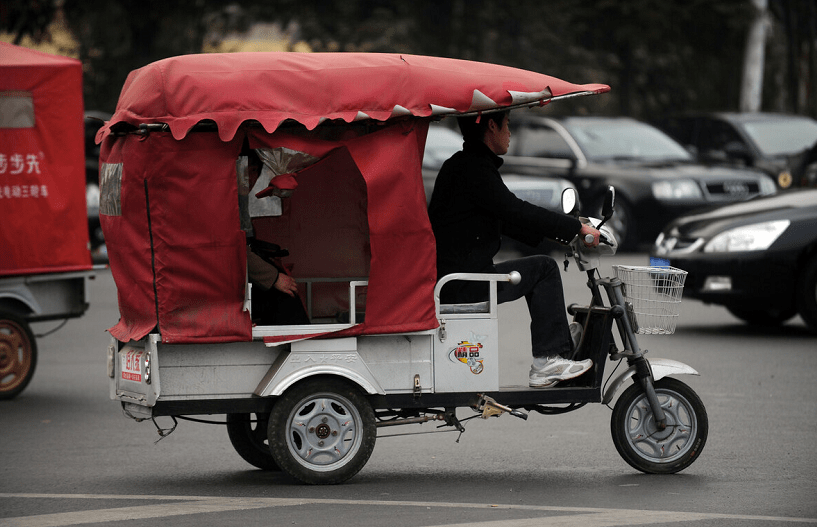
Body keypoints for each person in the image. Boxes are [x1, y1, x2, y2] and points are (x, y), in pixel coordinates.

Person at [428, 110, 601, 388]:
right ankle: (548, 360)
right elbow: (513, 209)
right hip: (464, 283)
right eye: (507, 125)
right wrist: (575, 228)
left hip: (460, 276)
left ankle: (558, 343)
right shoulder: (474, 169)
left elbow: (502, 219)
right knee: (544, 269)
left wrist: (558, 237)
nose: (510, 133)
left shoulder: (462, 165)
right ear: (492, 126)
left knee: (541, 263)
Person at [241, 152, 309, 326]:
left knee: (287, 290)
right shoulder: (223, 202)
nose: (249, 177)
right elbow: (233, 249)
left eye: (254, 170)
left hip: (244, 277)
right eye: (243, 170)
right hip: (226, 288)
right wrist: (273, 278)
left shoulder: (239, 201)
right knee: (284, 295)